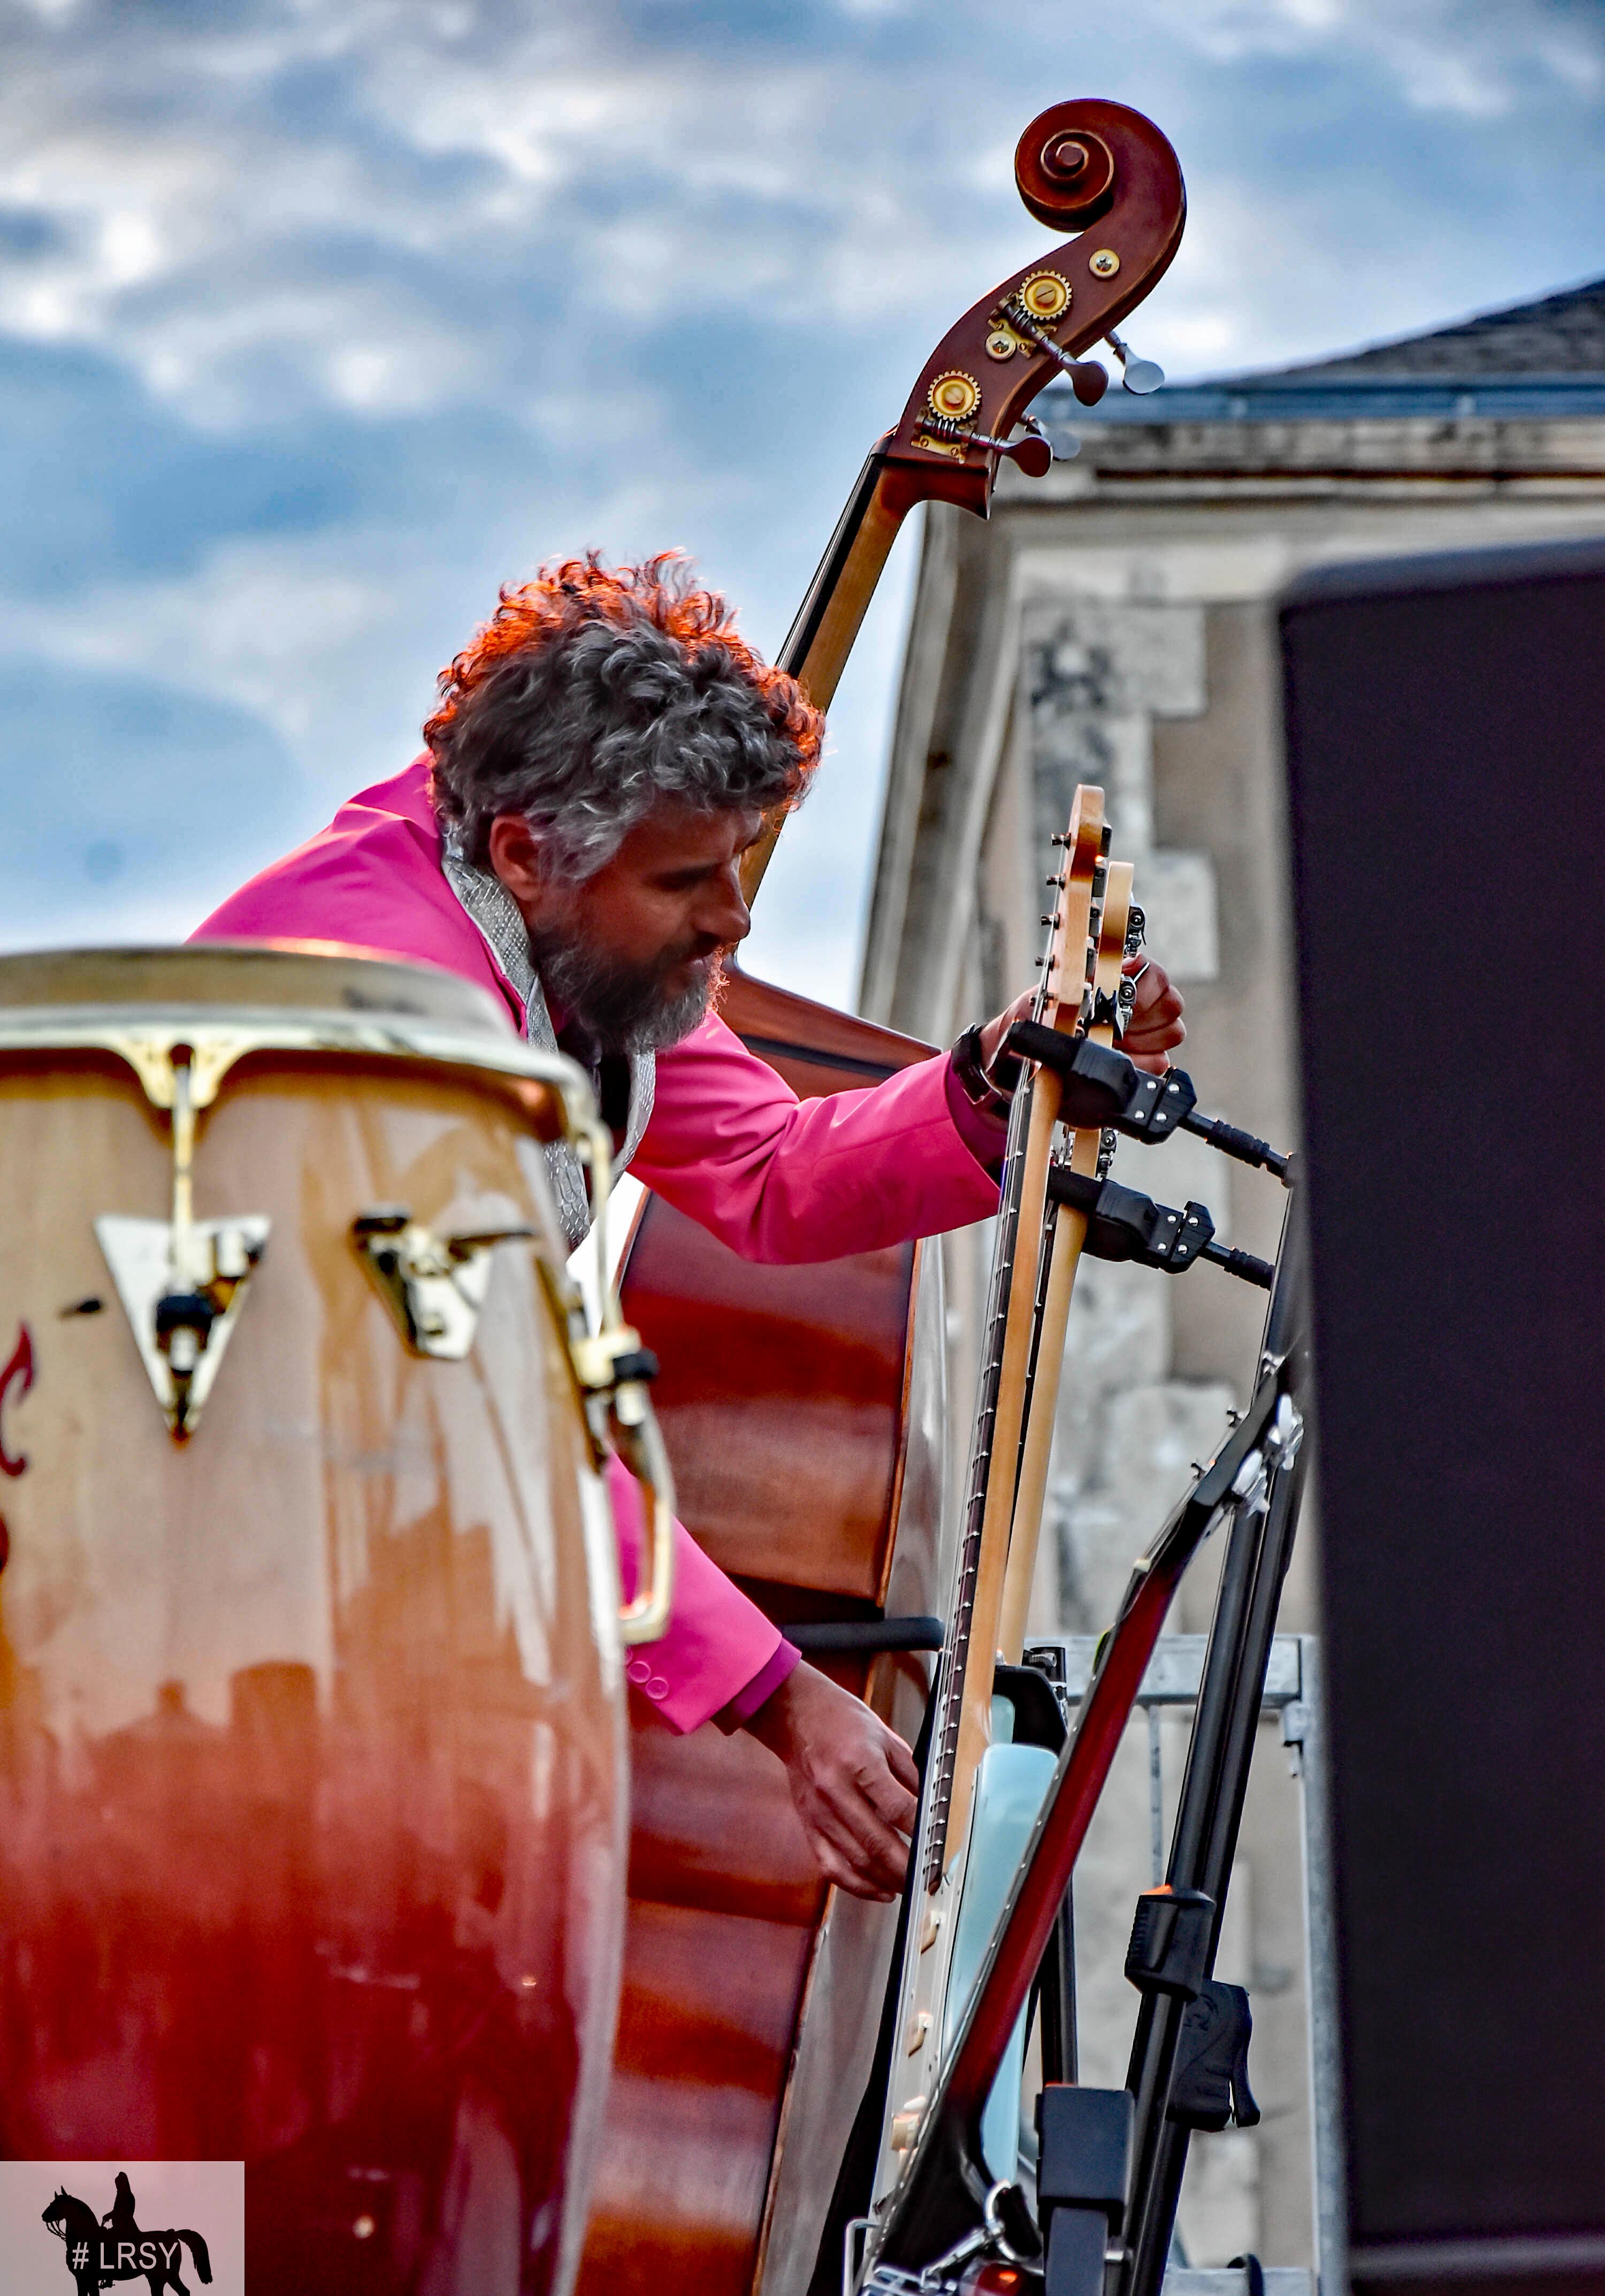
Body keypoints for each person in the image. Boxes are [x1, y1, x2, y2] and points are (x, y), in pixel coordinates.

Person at [193, 555, 1186, 1905]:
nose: (734, 919)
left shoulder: (560, 929)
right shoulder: (384, 1009)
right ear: (525, 853)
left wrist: (992, 1083)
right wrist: (784, 1700)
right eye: (687, 882)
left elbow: (770, 1168)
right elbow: (483, 1411)